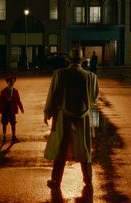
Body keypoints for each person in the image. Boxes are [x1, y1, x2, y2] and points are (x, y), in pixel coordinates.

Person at [43, 48, 99, 189]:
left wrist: (48, 112)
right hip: (83, 118)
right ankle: (88, 179)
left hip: (64, 117)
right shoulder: (91, 77)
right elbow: (94, 99)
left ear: (68, 60)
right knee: (84, 149)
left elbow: (53, 95)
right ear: (81, 61)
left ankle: (56, 180)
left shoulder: (60, 75)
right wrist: (94, 122)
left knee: (61, 149)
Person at [0, 76, 24, 143]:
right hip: (5, 110)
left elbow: (18, 100)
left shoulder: (15, 91)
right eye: (10, 81)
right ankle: (4, 136)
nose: (12, 83)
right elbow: (0, 101)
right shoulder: (3, 91)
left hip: (12, 110)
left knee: (13, 124)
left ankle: (13, 137)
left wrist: (21, 108)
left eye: (13, 81)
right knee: (4, 124)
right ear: (7, 82)